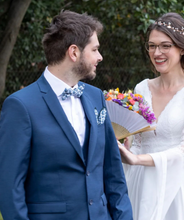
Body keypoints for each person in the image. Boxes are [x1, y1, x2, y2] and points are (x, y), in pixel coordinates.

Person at [0, 10, 133, 220]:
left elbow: (112, 170)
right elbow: (9, 186)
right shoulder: (20, 106)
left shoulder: (96, 97)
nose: (100, 57)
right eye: (95, 49)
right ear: (74, 52)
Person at [118, 12, 184, 220]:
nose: (157, 52)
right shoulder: (141, 88)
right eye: (152, 46)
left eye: (165, 46)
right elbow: (136, 140)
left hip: (178, 184)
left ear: (182, 48)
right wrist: (124, 145)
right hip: (140, 182)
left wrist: (137, 159)